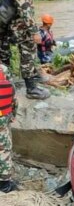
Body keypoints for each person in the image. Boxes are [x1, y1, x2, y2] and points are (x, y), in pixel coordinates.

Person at [0, 0, 50, 100]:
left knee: (3, 52)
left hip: (4, 21)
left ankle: (5, 84)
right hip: (17, 23)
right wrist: (34, 31)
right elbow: (24, 6)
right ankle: (31, 88)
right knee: (28, 49)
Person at [0, 63, 18, 193]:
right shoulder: (3, 69)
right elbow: (13, 96)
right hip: (1, 115)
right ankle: (4, 185)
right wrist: (13, 114)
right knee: (3, 148)